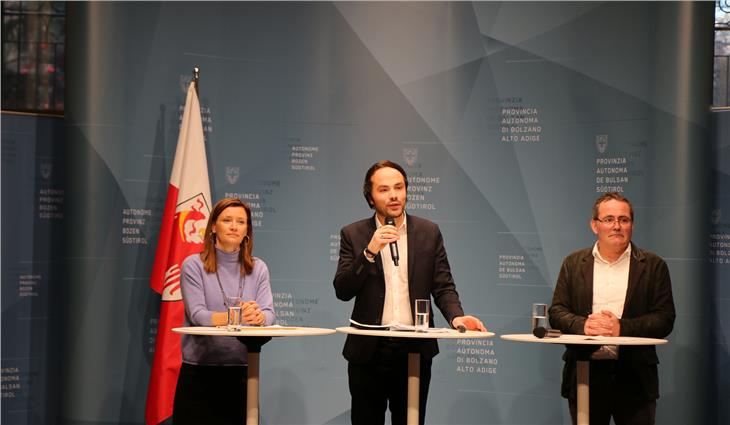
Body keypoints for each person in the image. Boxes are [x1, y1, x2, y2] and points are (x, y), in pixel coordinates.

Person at [333, 160, 487, 425]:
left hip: (414, 347)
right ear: (370, 198)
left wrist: (456, 317)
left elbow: (443, 285)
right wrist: (369, 252)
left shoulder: (429, 232)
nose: (393, 195)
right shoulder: (353, 234)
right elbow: (343, 290)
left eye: (399, 187)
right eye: (384, 190)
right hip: (369, 349)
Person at [548, 192, 676, 425]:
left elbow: (665, 319)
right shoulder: (573, 263)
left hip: (635, 379)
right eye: (609, 219)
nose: (617, 226)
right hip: (585, 375)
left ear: (632, 225)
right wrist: (583, 325)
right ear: (594, 225)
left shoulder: (654, 265)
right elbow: (556, 312)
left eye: (623, 219)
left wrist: (621, 327)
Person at [173, 197, 275, 425]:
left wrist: (259, 317)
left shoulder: (258, 268)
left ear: (247, 230)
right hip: (199, 372)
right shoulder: (193, 265)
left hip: (241, 372)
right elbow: (198, 315)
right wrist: (238, 316)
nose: (234, 226)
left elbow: (269, 314)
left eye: (241, 221)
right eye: (227, 220)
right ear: (213, 226)